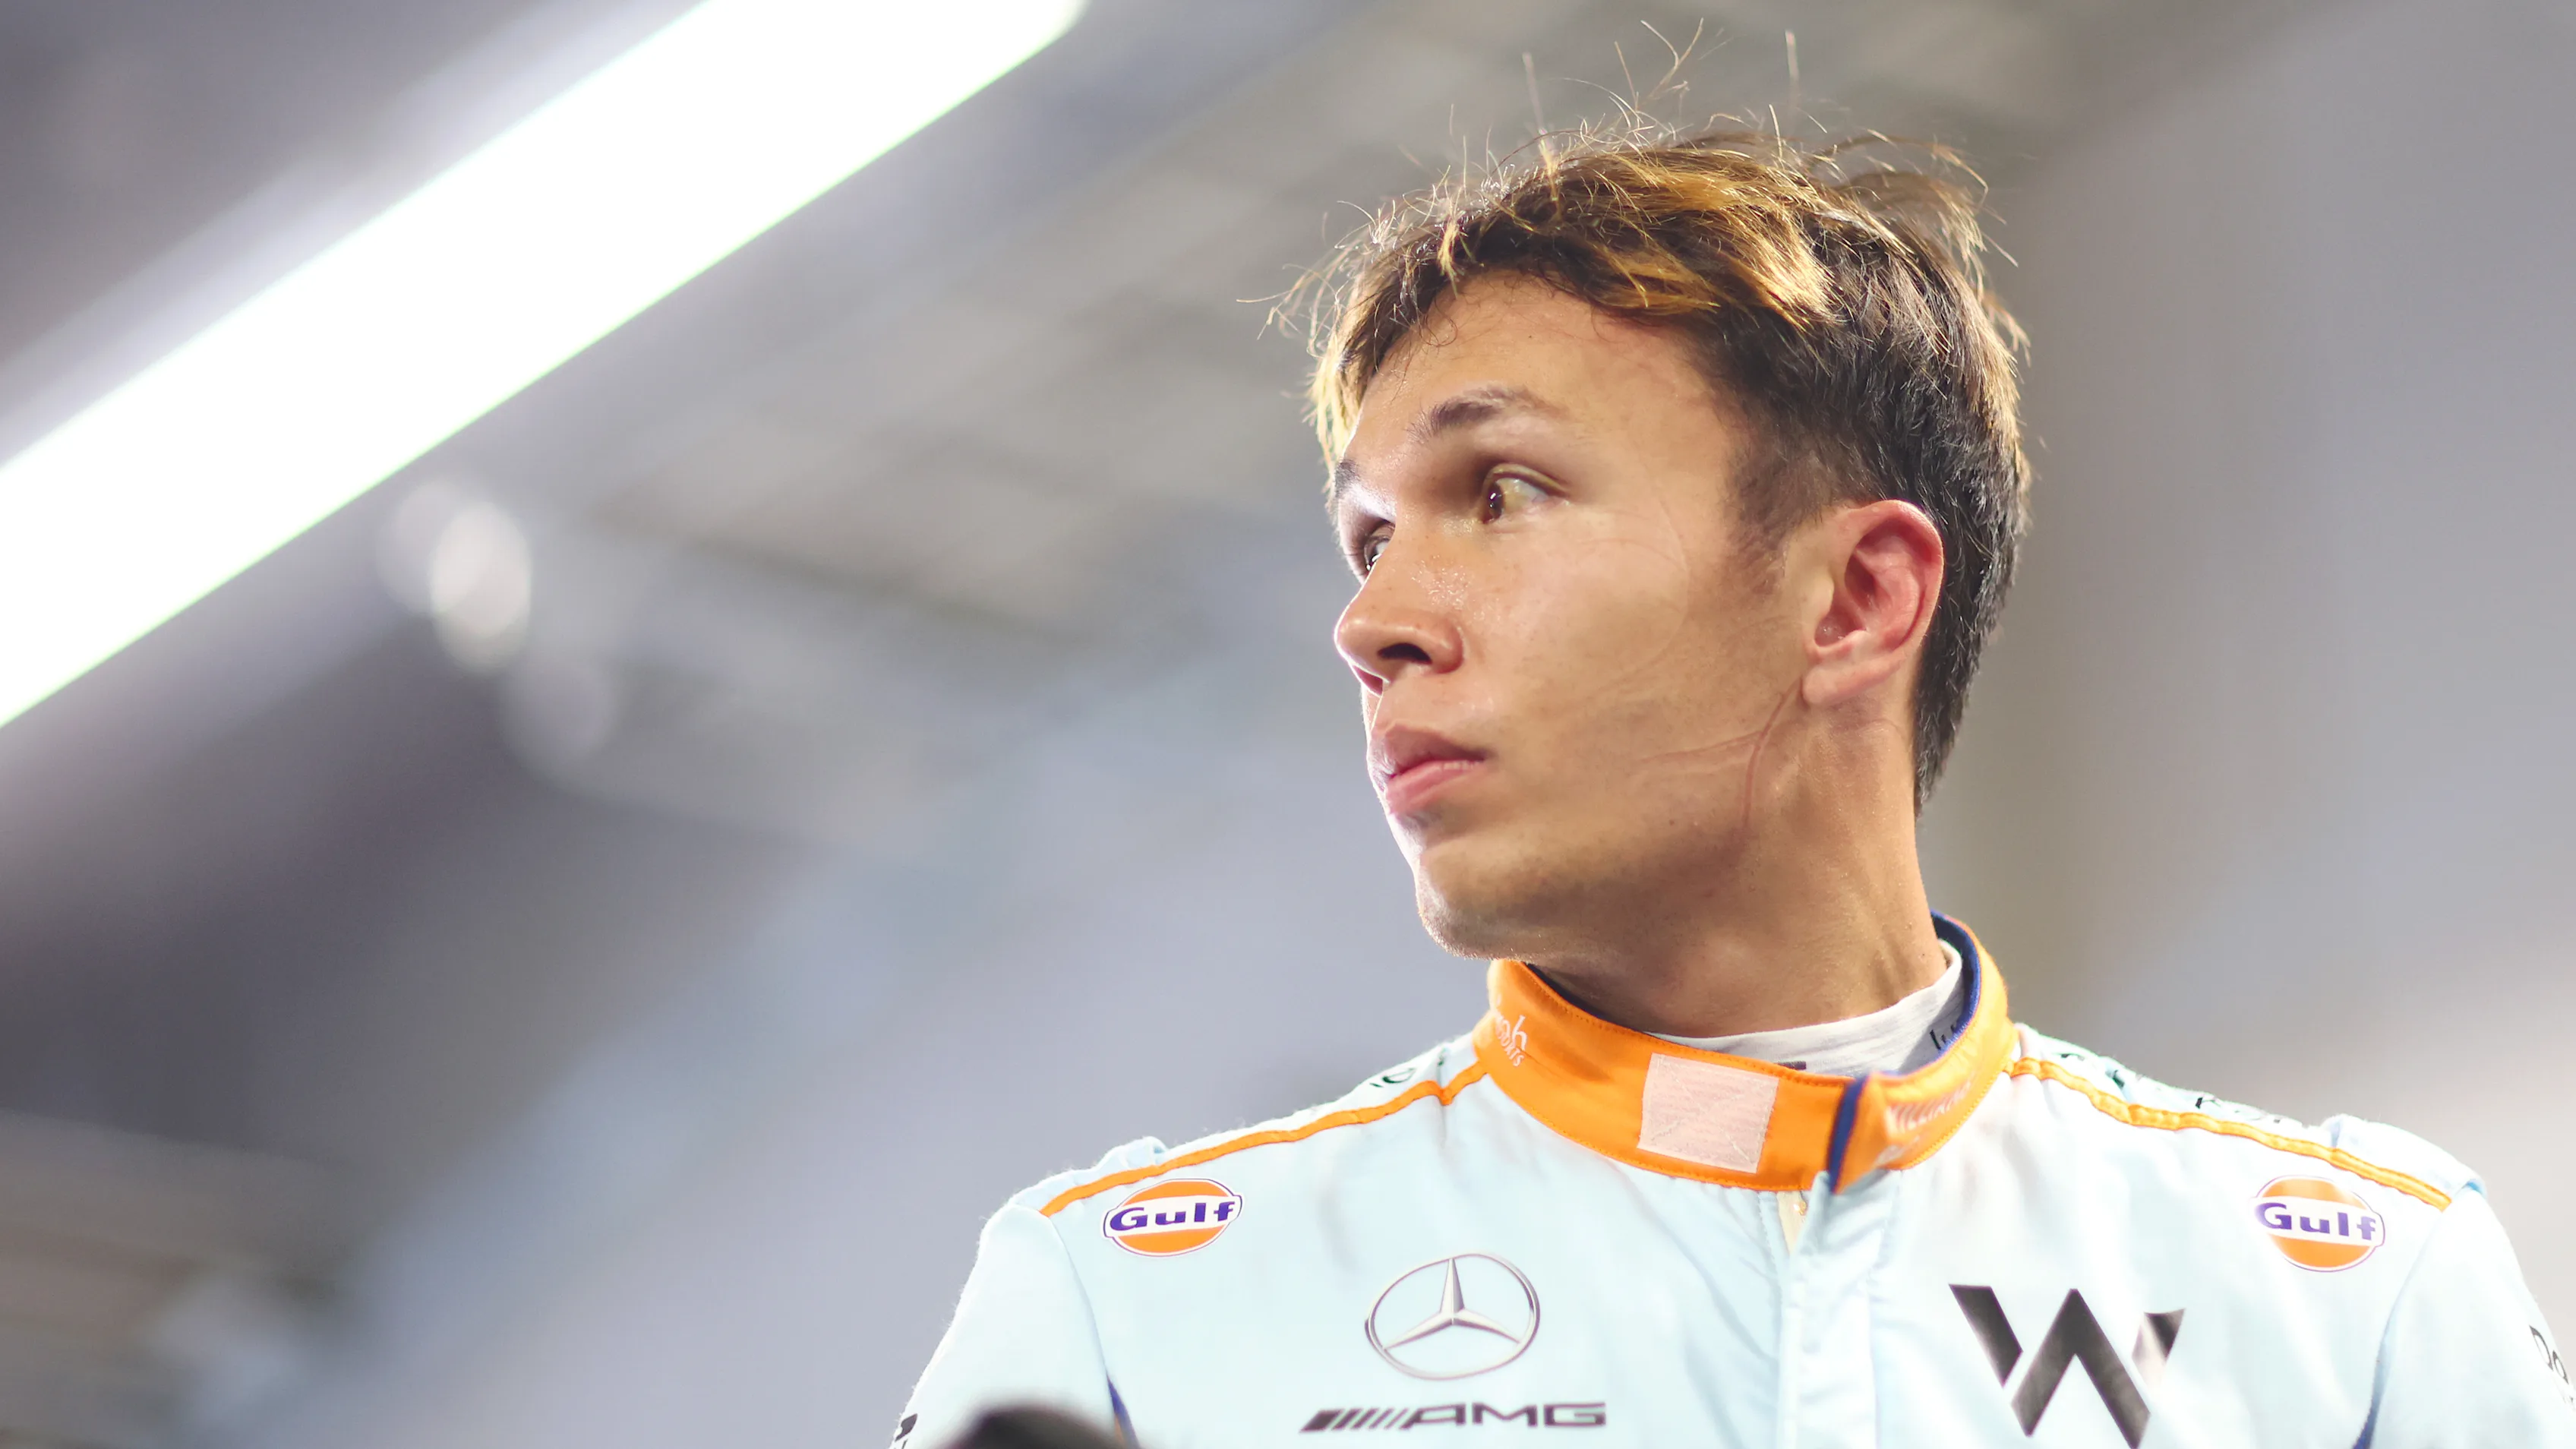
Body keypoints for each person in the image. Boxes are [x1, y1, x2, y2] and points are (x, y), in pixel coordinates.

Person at [896, 125, 2574, 1447]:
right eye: (1369, 535)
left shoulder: (2352, 1289)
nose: (1372, 622)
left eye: (1505, 489)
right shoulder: (1126, 1307)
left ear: (1852, 600)